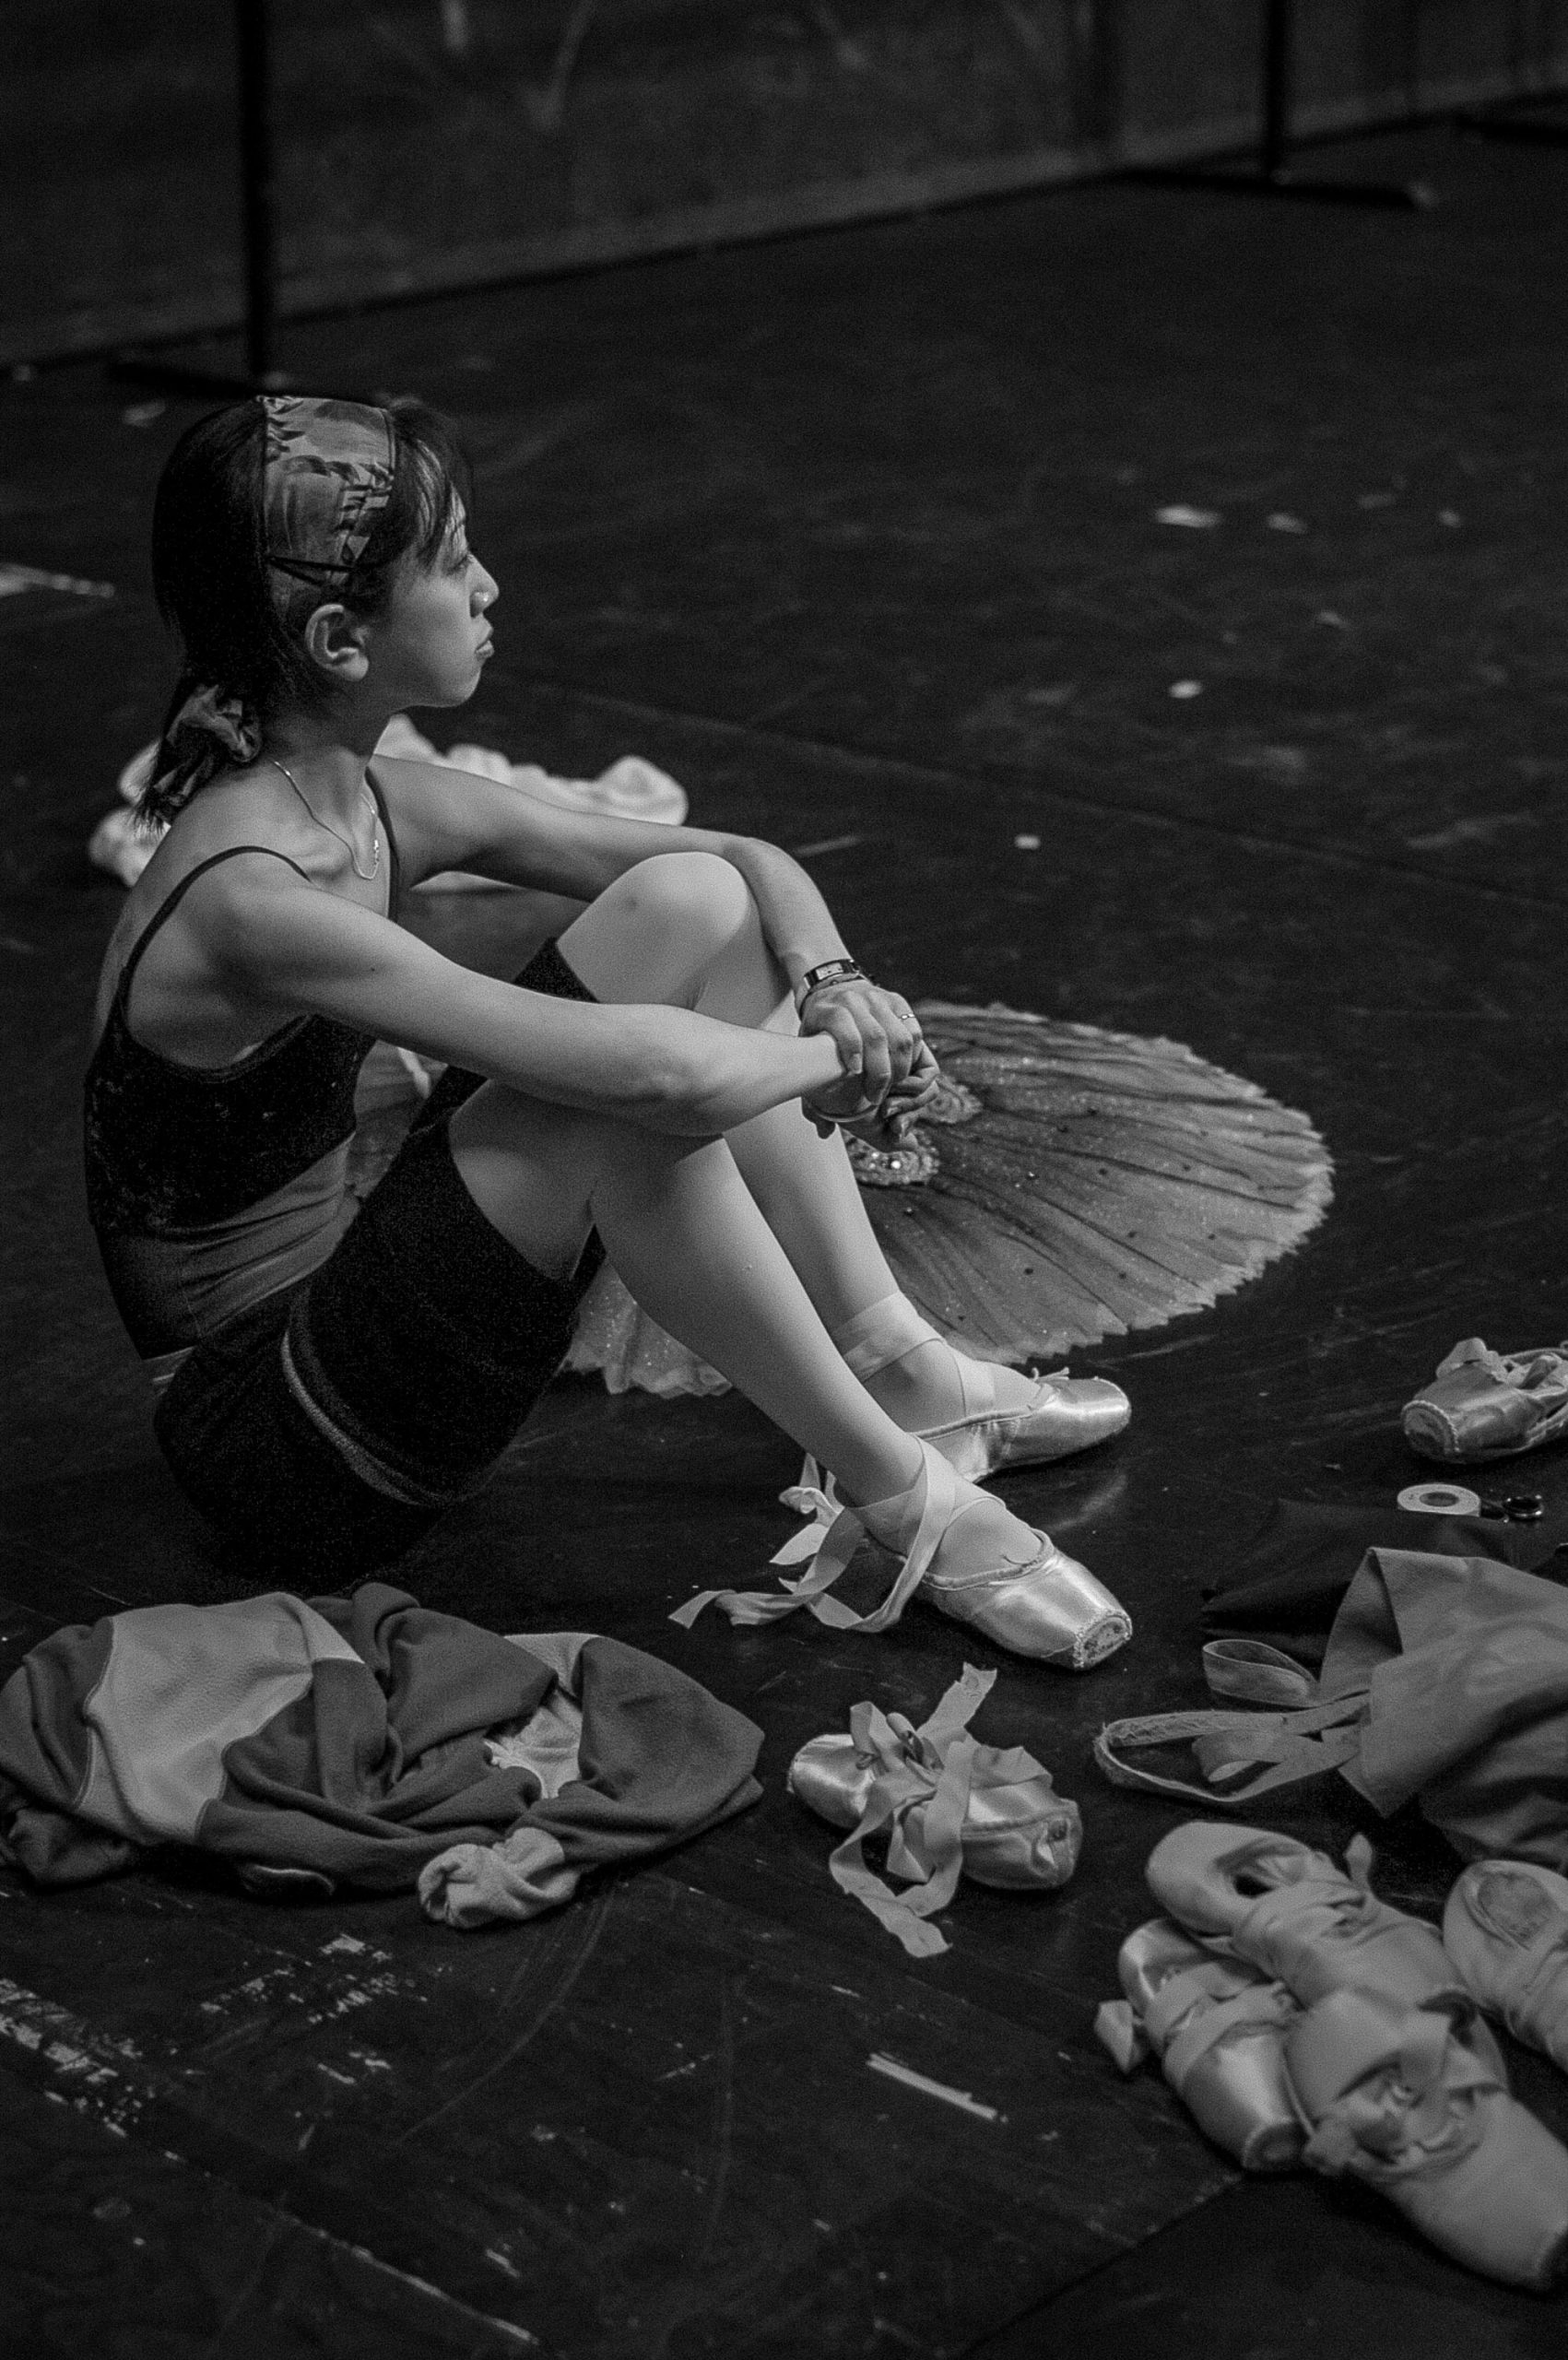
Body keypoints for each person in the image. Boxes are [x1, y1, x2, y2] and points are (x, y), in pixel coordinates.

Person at [84, 395, 1131, 1663]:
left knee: (692, 905)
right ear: (338, 638)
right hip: (281, 1448)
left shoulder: (374, 801)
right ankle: (904, 1500)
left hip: (352, 1321)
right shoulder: (253, 899)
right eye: (454, 560)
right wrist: (847, 1055)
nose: (489, 586)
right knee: (617, 1116)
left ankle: (893, 1360)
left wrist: (836, 982)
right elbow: (655, 1074)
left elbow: (739, 860)